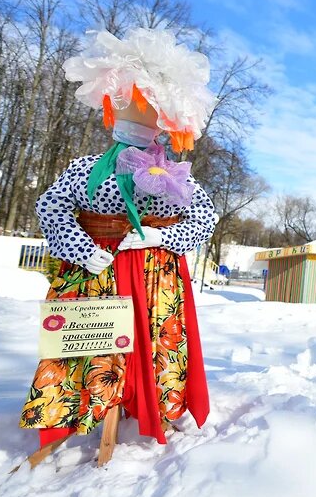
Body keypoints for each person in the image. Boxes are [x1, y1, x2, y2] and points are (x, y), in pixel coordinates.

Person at [20, 29, 218, 458]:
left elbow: (205, 216)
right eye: (129, 103)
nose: (138, 115)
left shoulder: (175, 176)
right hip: (97, 273)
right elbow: (52, 205)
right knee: (92, 345)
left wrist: (165, 236)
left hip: (155, 276)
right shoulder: (85, 168)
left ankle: (149, 404)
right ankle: (83, 407)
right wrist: (80, 247)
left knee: (152, 341)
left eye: (149, 108)